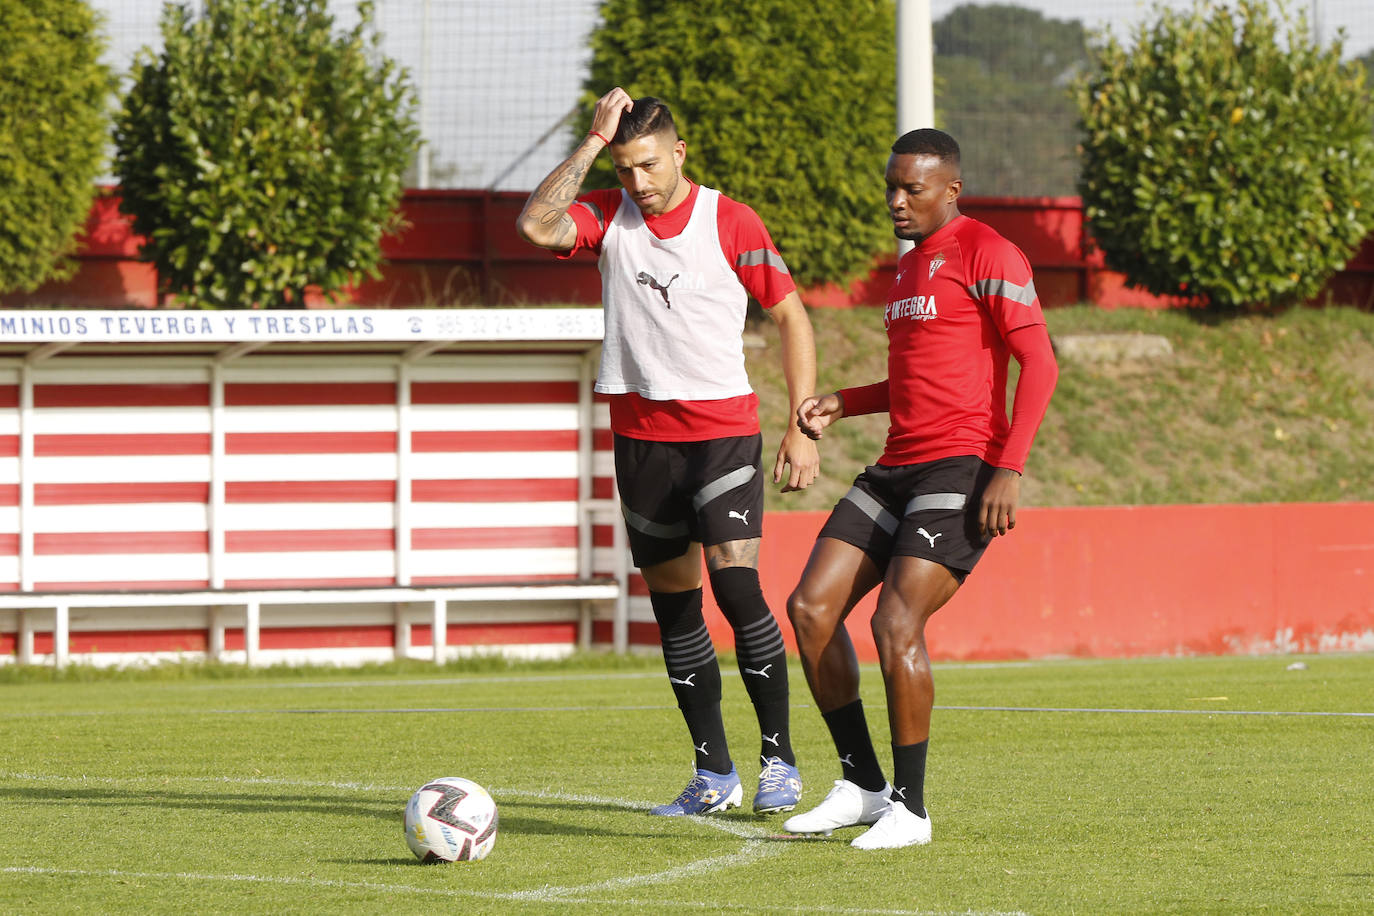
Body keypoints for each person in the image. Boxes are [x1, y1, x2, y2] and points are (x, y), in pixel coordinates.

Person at [516, 87, 820, 816]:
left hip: (722, 436)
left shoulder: (731, 220)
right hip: (641, 442)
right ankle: (713, 775)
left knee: (736, 586)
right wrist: (593, 141)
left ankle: (779, 759)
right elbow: (535, 224)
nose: (640, 184)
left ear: (679, 152)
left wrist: (801, 426)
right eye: (625, 170)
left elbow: (791, 315)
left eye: (650, 166)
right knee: (677, 612)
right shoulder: (607, 214)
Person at [781, 128, 1058, 849]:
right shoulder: (904, 274)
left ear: (952, 190)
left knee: (896, 622)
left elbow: (1040, 363)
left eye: (913, 189)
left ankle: (912, 808)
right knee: (811, 608)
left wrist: (1011, 467)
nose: (897, 202)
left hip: (963, 466)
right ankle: (863, 786)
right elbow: (915, 381)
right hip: (896, 465)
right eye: (891, 188)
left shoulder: (990, 252)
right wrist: (845, 399)